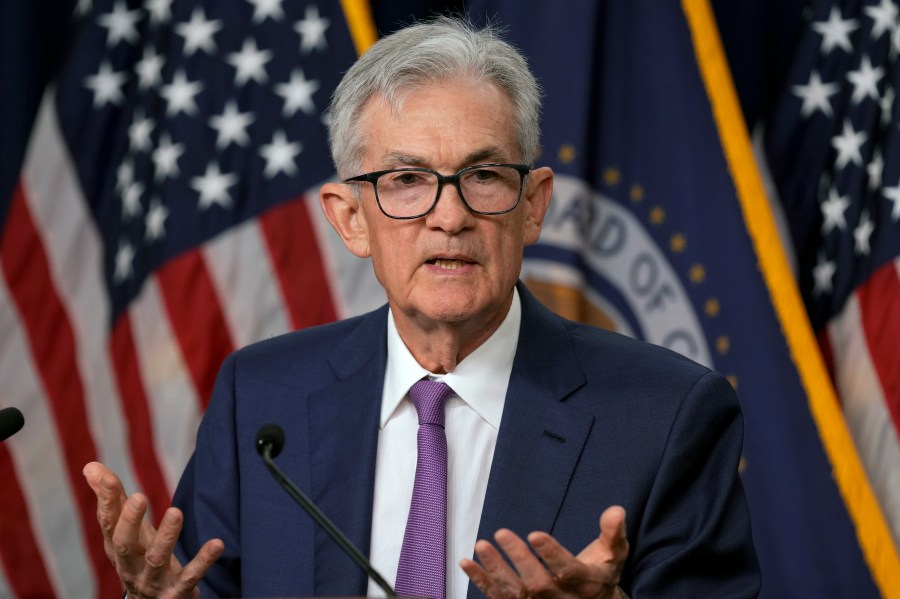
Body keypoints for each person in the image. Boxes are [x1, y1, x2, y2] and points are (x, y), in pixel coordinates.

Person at [83, 17, 760, 599]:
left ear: (533, 206)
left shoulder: (666, 415)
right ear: (350, 219)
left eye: (483, 176)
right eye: (406, 181)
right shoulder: (261, 399)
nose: (450, 216)